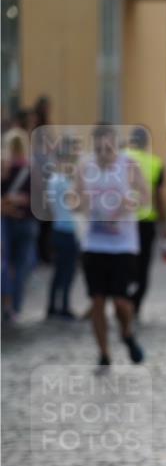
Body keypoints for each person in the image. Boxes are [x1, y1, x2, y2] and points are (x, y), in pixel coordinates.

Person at [74, 124, 148, 368]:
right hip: (93, 243)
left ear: (116, 145)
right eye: (98, 149)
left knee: (120, 302)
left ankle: (126, 332)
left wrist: (131, 202)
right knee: (97, 301)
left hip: (123, 244)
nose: (104, 153)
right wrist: (81, 202)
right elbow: (74, 201)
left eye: (108, 148)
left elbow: (144, 195)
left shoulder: (128, 165)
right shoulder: (85, 166)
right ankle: (104, 353)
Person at [126, 127, 166, 318]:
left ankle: (123, 298)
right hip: (145, 221)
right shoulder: (155, 163)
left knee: (125, 262)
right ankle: (135, 305)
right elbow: (159, 197)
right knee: (143, 266)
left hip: (123, 221)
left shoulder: (120, 159)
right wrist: (165, 224)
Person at [1, 133, 37, 323]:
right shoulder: (31, 170)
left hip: (8, 222)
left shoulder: (4, 169)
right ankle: (15, 306)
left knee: (6, 265)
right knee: (20, 267)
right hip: (26, 222)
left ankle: (7, 306)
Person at [45, 136, 79, 319]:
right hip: (67, 230)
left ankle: (52, 306)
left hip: (57, 228)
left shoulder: (53, 180)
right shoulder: (65, 181)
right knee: (67, 272)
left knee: (59, 271)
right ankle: (63, 306)